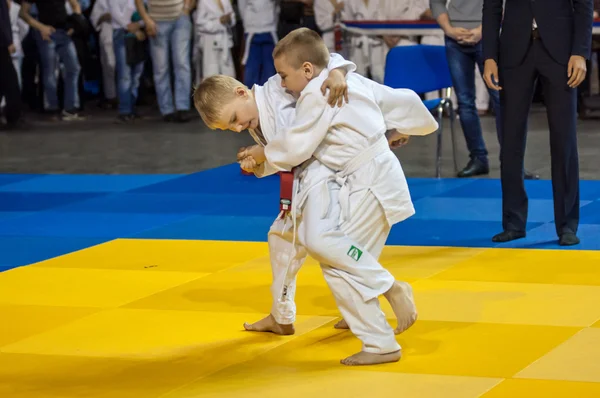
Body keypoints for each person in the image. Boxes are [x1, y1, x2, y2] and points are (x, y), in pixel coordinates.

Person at [207, 29, 437, 365]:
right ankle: (298, 315)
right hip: (347, 175)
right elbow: (360, 92)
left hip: (336, 180)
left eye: (233, 120)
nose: (237, 128)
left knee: (328, 252)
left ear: (242, 93)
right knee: (298, 244)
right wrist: (398, 129)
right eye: (228, 129)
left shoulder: (302, 88)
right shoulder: (297, 86)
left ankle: (380, 316)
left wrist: (339, 70)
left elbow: (300, 142)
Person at [482, 0, 593, 246]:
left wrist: (580, 52)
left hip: (562, 52)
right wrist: (489, 55)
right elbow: (491, 6)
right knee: (510, 141)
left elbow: (583, 5)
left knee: (564, 140)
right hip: (512, 51)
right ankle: (513, 223)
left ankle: (567, 225)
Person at [20, 0, 84, 121]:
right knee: (50, 70)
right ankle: (51, 108)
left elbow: (75, 4)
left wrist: (75, 24)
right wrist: (40, 27)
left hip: (64, 31)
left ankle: (70, 108)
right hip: (46, 32)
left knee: (74, 67)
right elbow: (23, 13)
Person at [135, 0, 193, 123]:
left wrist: (187, 8)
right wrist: (146, 20)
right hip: (156, 21)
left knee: (182, 63)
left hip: (180, 19)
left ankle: (182, 107)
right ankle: (167, 109)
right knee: (161, 68)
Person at [238, 0, 278, 87]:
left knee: (270, 69)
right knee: (251, 69)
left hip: (270, 31)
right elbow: (242, 6)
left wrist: (272, 24)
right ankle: (251, 96)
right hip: (252, 32)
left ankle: (269, 97)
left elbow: (277, 7)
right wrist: (249, 25)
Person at [196, 0, 236, 79]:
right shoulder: (203, 2)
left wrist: (229, 19)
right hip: (210, 41)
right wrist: (219, 22)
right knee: (211, 74)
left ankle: (228, 91)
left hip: (224, 40)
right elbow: (200, 23)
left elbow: (232, 16)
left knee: (229, 73)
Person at [0, 0, 21, 129]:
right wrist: (8, 41)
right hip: (1, 45)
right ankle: (13, 116)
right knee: (10, 82)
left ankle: (13, 115)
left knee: (6, 82)